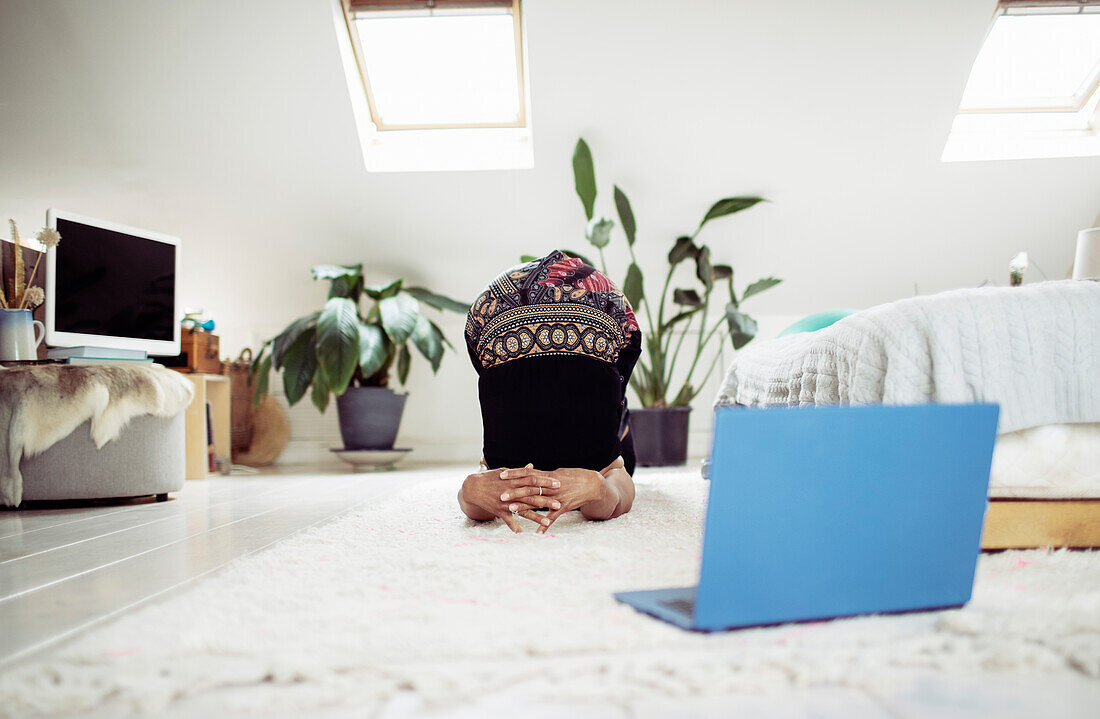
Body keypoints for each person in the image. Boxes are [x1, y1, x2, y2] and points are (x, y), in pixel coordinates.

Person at [457, 250, 641, 533]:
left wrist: (600, 487)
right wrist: (469, 492)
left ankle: (619, 407)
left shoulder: (601, 443)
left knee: (620, 434)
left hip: (608, 422)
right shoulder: (505, 439)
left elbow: (618, 483)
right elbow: (478, 497)